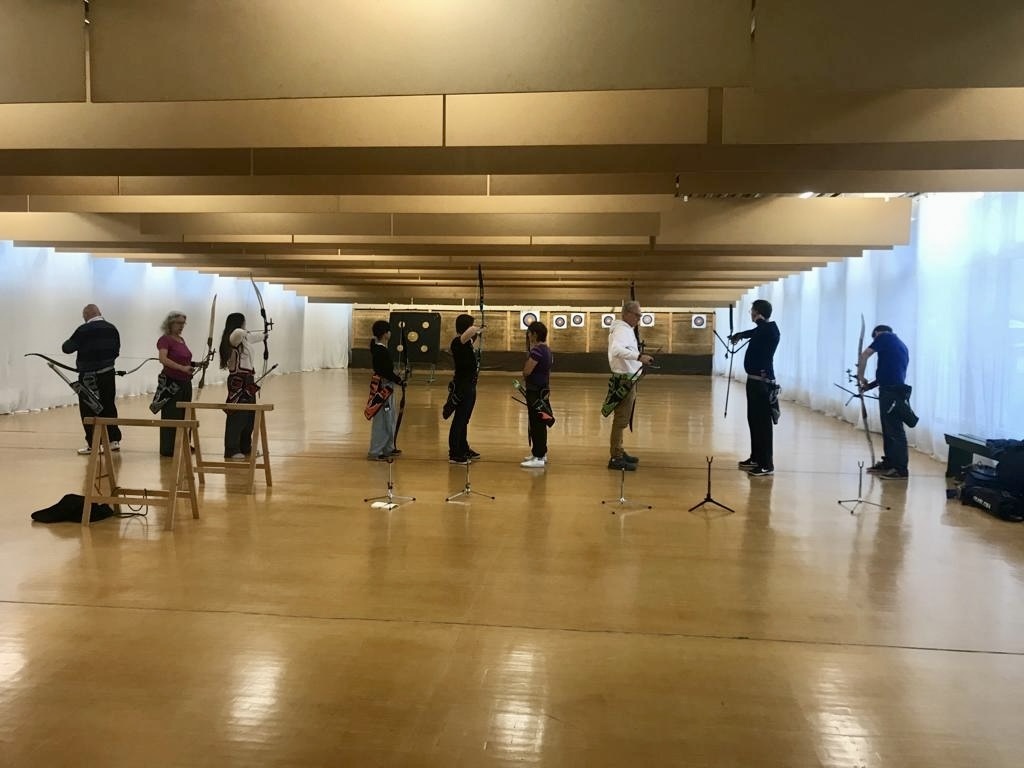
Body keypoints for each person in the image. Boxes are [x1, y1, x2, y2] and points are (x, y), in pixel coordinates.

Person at [730, 299, 781, 477]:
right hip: (754, 382)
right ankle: (756, 458)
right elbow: (754, 332)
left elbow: (760, 329)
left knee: (763, 424)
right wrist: (740, 335)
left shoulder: (770, 329)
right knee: (753, 420)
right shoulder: (762, 330)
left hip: (763, 384)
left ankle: (766, 464)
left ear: (758, 312)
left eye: (752, 311)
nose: (750, 314)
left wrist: (758, 320)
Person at [62, 303, 122, 455]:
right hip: (108, 374)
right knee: (109, 406)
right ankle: (113, 440)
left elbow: (67, 348)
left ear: (87, 315)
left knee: (88, 408)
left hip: (88, 377)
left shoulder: (83, 329)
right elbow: (116, 351)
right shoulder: (112, 328)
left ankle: (94, 444)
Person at [858, 324, 913, 480]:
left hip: (892, 392)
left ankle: (900, 469)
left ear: (877, 333)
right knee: (889, 429)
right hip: (893, 390)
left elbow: (864, 355)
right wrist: (868, 386)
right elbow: (889, 373)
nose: (875, 341)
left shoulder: (885, 337)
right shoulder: (900, 345)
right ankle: (889, 463)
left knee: (895, 430)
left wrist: (860, 376)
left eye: (874, 338)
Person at [604, 300, 654, 471]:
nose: (639, 318)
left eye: (640, 315)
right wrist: (639, 357)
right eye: (637, 315)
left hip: (627, 378)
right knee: (621, 420)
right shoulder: (622, 329)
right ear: (626, 314)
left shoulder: (625, 329)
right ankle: (615, 457)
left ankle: (619, 450)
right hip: (624, 380)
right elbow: (616, 350)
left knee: (622, 419)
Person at [218, 313, 267, 460]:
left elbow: (254, 337)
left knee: (250, 416)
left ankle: (246, 447)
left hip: (248, 380)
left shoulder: (244, 339)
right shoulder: (233, 338)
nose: (245, 325)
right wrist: (245, 331)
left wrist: (265, 334)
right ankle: (231, 449)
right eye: (244, 322)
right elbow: (238, 333)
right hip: (238, 381)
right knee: (238, 415)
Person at [443, 313, 484, 464]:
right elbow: (472, 331)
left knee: (464, 419)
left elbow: (472, 335)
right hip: (462, 386)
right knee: (459, 420)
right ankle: (454, 453)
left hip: (470, 385)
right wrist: (478, 327)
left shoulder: (466, 343)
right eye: (470, 325)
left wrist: (478, 331)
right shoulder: (457, 342)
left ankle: (463, 448)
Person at [155, 311, 194, 457]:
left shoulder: (181, 340)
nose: (181, 326)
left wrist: (194, 365)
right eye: (178, 323)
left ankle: (183, 444)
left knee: (185, 414)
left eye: (183, 323)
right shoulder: (165, 340)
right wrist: (182, 368)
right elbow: (163, 359)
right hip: (171, 383)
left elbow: (184, 359)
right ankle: (169, 448)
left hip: (185, 382)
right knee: (172, 414)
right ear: (170, 323)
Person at [365, 320, 404, 460]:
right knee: (383, 419)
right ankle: (375, 451)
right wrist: (399, 380)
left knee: (390, 417)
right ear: (385, 334)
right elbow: (384, 371)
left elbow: (386, 370)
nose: (390, 333)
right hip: (383, 388)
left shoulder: (380, 349)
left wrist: (396, 378)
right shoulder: (380, 350)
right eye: (389, 331)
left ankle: (388, 448)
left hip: (386, 386)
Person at [520, 321, 554, 468]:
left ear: (534, 334)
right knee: (540, 421)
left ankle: (539, 456)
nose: (528, 336)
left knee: (536, 423)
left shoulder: (537, 351)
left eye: (529, 333)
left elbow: (527, 371)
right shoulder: (547, 349)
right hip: (542, 391)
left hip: (535, 391)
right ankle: (539, 453)